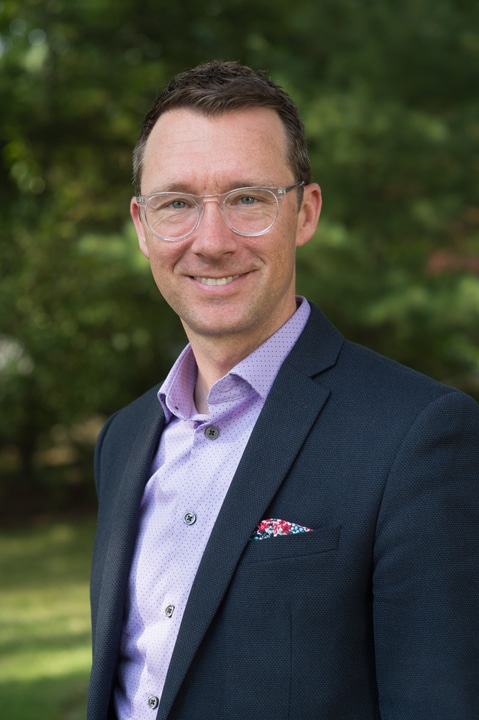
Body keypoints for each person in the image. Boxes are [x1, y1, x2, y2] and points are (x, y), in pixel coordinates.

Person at [88, 60, 479, 720]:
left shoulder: (419, 435)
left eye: (246, 199)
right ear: (140, 225)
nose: (210, 242)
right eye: (177, 203)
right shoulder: (122, 440)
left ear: (305, 212)